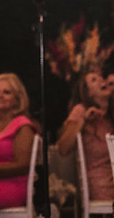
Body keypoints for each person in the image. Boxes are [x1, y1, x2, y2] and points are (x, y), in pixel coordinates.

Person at [0, 73, 37, 209]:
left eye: (7, 92)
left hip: (10, 185)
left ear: (17, 99)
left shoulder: (22, 126)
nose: (0, 95)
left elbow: (23, 165)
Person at [56, 71, 114, 200]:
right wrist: (83, 120)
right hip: (102, 183)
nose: (101, 81)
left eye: (101, 77)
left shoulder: (110, 115)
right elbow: (63, 148)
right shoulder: (81, 110)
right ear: (88, 93)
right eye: (94, 80)